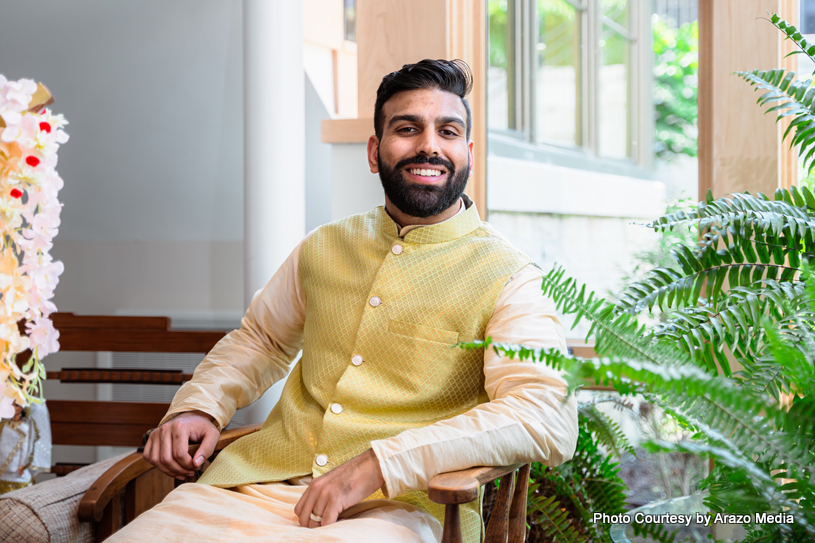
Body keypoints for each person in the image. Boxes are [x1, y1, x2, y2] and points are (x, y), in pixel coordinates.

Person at [109, 59, 578, 543]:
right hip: (247, 485)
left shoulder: (510, 277)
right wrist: (198, 407)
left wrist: (382, 464)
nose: (429, 146)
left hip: (395, 510)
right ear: (375, 152)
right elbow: (262, 340)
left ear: (469, 153)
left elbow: (544, 412)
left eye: (448, 131)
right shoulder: (324, 246)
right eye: (407, 128)